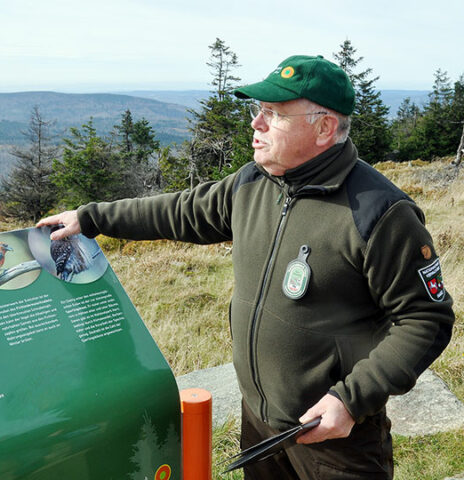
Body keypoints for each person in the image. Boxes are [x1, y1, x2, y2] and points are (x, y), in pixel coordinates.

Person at [37, 55, 454, 479]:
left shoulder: (381, 213)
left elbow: (426, 319)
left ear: (324, 127)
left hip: (334, 438)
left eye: (274, 114)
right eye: (259, 111)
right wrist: (91, 219)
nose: (256, 124)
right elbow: (180, 211)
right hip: (259, 424)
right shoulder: (253, 183)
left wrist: (351, 400)